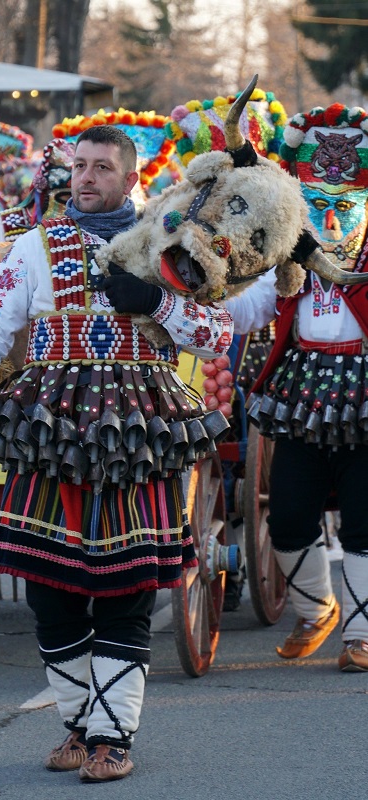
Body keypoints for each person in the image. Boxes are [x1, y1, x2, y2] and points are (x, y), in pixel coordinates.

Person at [0, 125, 233, 780]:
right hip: (52, 425)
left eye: (101, 167)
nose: (85, 178)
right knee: (48, 584)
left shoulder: (171, 245)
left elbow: (216, 332)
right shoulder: (36, 247)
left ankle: (111, 736)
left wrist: (157, 301)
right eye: (79, 167)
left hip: (136, 431)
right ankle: (78, 722)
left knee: (124, 587)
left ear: (130, 179)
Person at [226, 102, 368, 672]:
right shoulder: (289, 257)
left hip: (364, 392)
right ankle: (317, 610)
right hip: (303, 393)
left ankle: (360, 637)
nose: (330, 220)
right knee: (284, 518)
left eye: (344, 206)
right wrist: (191, 303)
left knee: (364, 521)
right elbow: (251, 307)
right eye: (318, 206)